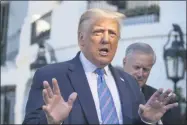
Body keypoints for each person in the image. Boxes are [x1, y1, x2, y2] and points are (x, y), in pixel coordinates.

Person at [23, 8, 178, 124]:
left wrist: (147, 121)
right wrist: (51, 122)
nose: (106, 40)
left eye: (112, 34)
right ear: (81, 38)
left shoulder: (129, 83)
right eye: (98, 32)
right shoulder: (51, 76)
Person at [123, 42, 182, 124]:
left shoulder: (162, 102)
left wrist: (151, 122)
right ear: (124, 62)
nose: (140, 74)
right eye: (137, 67)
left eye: (145, 70)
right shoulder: (108, 94)